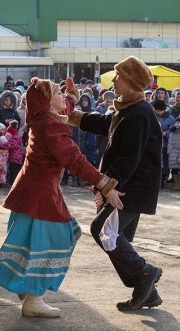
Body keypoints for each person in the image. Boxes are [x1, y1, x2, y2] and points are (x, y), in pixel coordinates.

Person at [0, 77, 123, 318]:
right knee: (58, 240)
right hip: (42, 194)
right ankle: (34, 297)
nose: (62, 96)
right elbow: (74, 159)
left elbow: (62, 107)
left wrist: (72, 96)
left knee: (30, 242)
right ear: (47, 102)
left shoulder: (42, 117)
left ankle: (27, 289)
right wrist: (104, 185)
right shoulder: (51, 125)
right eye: (56, 92)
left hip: (29, 191)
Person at [66, 56, 163, 311]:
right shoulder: (127, 109)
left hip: (131, 188)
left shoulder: (140, 113)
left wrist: (107, 185)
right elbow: (103, 123)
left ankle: (145, 272)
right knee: (116, 240)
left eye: (119, 76)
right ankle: (147, 292)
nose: (114, 80)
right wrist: (71, 115)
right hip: (126, 186)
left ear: (130, 82)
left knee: (102, 231)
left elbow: (129, 158)